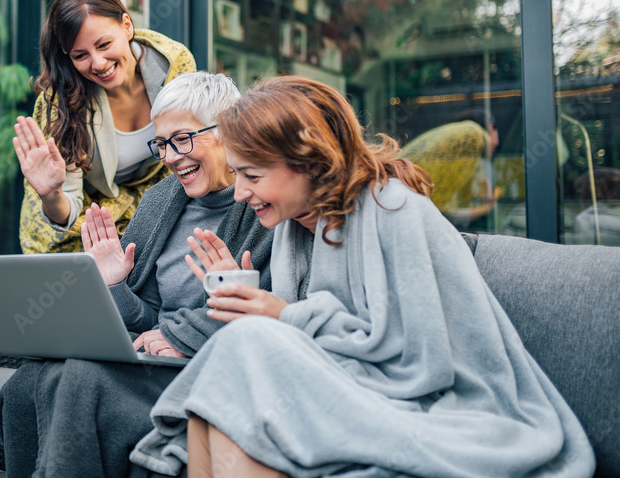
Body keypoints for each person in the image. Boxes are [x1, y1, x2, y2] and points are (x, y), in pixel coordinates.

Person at [131, 76, 595, 478]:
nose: (239, 192)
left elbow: (422, 359)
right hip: (351, 386)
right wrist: (259, 307)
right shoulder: (296, 227)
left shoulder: (394, 210)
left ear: (307, 162)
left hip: (437, 403)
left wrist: (285, 318)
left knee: (244, 352)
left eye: (251, 174)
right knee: (227, 389)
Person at [0, 72, 275, 478]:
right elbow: (148, 322)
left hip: (206, 369)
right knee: (27, 385)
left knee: (80, 377)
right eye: (161, 144)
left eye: (182, 139)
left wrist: (185, 333)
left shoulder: (266, 209)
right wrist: (113, 285)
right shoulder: (162, 200)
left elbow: (270, 318)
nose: (170, 157)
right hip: (151, 360)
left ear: (227, 130)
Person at [15, 0, 196, 253]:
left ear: (126, 25)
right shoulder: (62, 102)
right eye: (80, 55)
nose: (98, 63)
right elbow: (67, 208)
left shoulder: (175, 67)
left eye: (104, 44)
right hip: (80, 231)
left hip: (157, 216)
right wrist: (51, 195)